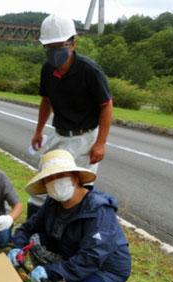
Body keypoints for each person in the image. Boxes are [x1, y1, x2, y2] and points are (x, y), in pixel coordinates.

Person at [8, 149, 131, 282]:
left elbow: (92, 256)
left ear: (76, 177)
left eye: (60, 176)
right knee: (36, 239)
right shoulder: (53, 203)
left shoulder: (98, 210)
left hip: (105, 267)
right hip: (72, 253)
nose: (54, 182)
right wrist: (18, 247)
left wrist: (51, 270)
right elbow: (27, 228)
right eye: (49, 179)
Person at [28, 14, 113, 218]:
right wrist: (39, 131)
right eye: (49, 47)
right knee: (44, 184)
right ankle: (33, 233)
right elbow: (46, 100)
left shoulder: (89, 71)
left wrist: (100, 142)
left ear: (72, 44)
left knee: (76, 191)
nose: (54, 51)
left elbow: (107, 106)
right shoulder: (47, 69)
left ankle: (73, 236)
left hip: (85, 138)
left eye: (59, 45)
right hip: (59, 135)